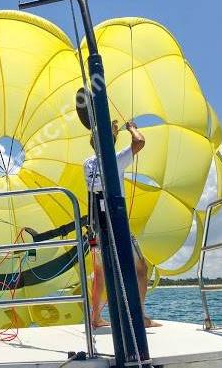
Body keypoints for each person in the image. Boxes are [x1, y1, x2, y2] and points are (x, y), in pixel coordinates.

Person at [84, 120, 160, 328]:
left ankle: (95, 318)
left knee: (100, 273)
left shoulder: (87, 163)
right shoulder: (115, 159)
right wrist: (131, 127)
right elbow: (139, 142)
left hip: (95, 224)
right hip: (115, 222)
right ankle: (140, 316)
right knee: (141, 268)